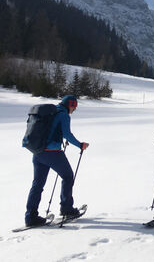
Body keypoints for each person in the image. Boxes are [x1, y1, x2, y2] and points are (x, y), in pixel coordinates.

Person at [25, 95, 89, 226]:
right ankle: (67, 209)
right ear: (70, 105)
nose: (73, 110)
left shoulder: (51, 112)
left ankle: (30, 217)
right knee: (67, 176)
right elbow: (67, 134)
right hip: (52, 153)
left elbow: (53, 131)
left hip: (37, 152)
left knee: (37, 184)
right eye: (74, 107)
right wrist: (80, 144)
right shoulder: (63, 115)